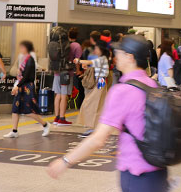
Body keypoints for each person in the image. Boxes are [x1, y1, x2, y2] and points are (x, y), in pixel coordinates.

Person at [47, 36, 170, 191]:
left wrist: (65, 161)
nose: (115, 56)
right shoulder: (152, 84)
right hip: (158, 172)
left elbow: (98, 139)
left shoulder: (122, 91)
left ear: (130, 57)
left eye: (119, 52)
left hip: (136, 174)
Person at [3, 41, 51, 138]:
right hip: (21, 86)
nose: (20, 49)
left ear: (27, 48)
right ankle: (14, 130)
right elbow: (21, 75)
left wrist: (17, 86)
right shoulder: (23, 59)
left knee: (28, 111)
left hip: (27, 87)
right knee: (15, 109)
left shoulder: (30, 60)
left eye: (22, 47)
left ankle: (45, 124)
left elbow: (26, 76)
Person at [75, 41, 111, 132]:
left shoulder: (102, 58)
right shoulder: (102, 58)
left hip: (100, 81)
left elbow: (90, 62)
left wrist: (78, 61)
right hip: (100, 81)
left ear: (101, 50)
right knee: (97, 104)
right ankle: (95, 126)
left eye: (97, 48)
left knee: (92, 103)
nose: (95, 50)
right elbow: (93, 64)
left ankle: (93, 126)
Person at [54, 28, 82, 125]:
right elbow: (77, 60)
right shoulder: (76, 46)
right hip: (67, 73)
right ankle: (62, 119)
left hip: (57, 72)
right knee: (64, 95)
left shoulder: (60, 43)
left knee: (58, 94)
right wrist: (78, 70)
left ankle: (56, 117)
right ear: (76, 36)